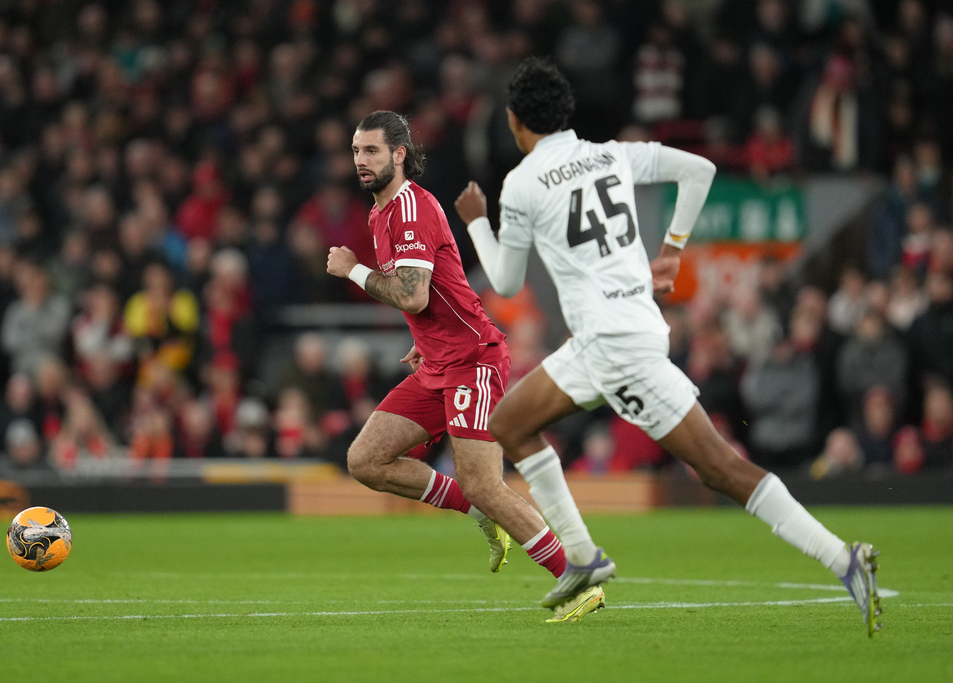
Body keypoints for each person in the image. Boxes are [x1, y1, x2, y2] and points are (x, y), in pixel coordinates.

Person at [454, 57, 882, 635]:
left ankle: (843, 558)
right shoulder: (612, 154)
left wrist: (478, 222)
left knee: (719, 468)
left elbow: (505, 281)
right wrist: (673, 247)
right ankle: (581, 556)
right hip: (615, 332)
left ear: (514, 121)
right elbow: (699, 169)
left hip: (614, 345)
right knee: (510, 421)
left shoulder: (523, 183)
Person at [326, 110, 599, 623]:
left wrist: (353, 270)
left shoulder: (408, 207)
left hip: (473, 360)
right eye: (357, 151)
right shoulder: (380, 212)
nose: (360, 161)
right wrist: (426, 339)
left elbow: (412, 292)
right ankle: (482, 516)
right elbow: (430, 298)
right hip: (437, 360)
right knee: (366, 460)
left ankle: (579, 574)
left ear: (399, 154)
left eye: (372, 152)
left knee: (485, 481)